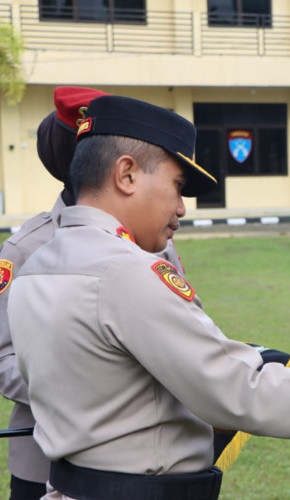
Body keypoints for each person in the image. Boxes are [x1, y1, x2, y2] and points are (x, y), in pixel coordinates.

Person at [7, 95, 290, 500]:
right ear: (127, 174)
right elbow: (234, 390)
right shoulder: (124, 271)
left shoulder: (39, 264)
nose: (182, 207)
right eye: (176, 185)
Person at [0, 86, 109, 500]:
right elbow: (3, 356)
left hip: (134, 461)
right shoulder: (25, 248)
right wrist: (75, 388)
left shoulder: (153, 241)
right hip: (44, 461)